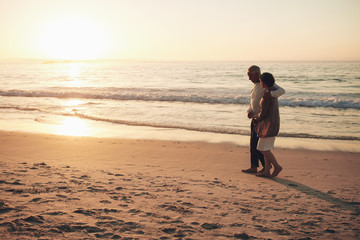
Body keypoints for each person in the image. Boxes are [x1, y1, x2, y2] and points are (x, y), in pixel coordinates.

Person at [242, 65, 284, 174]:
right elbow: (253, 101)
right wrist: (249, 111)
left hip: (261, 119)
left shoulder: (265, 82)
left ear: (256, 74)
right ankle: (254, 166)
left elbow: (281, 90)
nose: (249, 78)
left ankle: (267, 166)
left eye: (250, 76)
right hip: (255, 117)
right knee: (253, 144)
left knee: (259, 145)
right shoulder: (255, 86)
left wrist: (270, 94)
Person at [253, 72, 282, 177]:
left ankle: (277, 166)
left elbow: (263, 114)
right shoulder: (273, 92)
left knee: (261, 148)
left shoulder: (266, 95)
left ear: (263, 83)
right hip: (274, 123)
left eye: (260, 81)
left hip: (267, 125)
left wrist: (254, 116)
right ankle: (266, 171)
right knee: (266, 148)